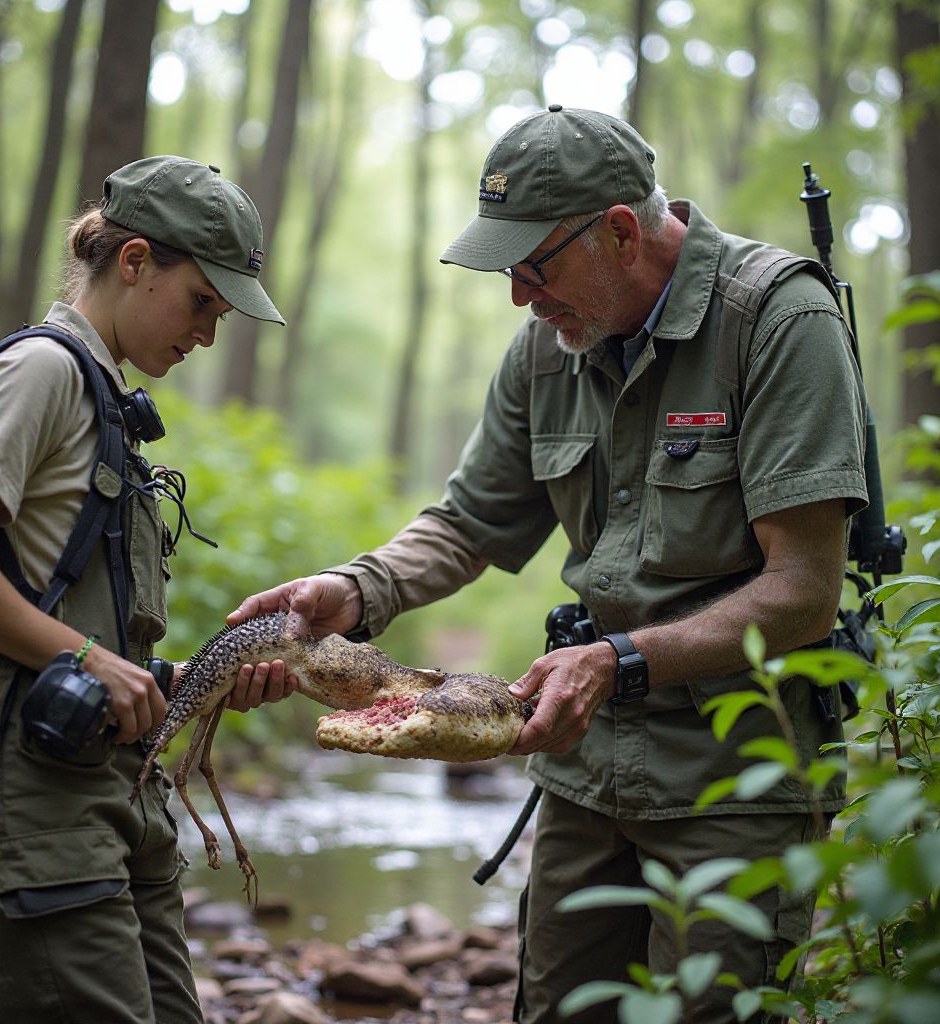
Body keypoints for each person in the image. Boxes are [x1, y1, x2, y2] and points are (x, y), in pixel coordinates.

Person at [230, 106, 869, 1023]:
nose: (522, 297)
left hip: (739, 778)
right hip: (585, 760)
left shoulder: (774, 319)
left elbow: (803, 593)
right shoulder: (548, 346)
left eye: (537, 266)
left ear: (618, 230)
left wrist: (621, 660)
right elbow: (470, 523)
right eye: (509, 271)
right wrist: (357, 589)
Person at [0, 156, 296, 1023]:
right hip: (19, 803)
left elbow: (68, 621)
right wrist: (88, 656)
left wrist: (184, 684)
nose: (208, 333)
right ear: (133, 263)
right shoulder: (42, 370)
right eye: (202, 301)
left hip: (106, 801)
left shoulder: (106, 398)